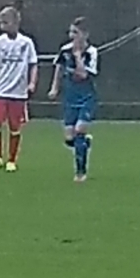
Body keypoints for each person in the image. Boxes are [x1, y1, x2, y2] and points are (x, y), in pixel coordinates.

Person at [0, 5, 38, 172]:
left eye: (5, 23)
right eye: (0, 23)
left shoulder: (26, 43)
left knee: (15, 126)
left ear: (15, 22)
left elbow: (33, 64)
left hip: (18, 93)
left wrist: (32, 82)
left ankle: (11, 160)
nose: (2, 26)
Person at [49, 18, 99, 183]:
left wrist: (78, 57)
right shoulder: (65, 50)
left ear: (85, 34)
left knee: (79, 130)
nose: (72, 36)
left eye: (75, 33)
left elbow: (83, 75)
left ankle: (80, 172)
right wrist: (54, 88)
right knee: (70, 138)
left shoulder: (91, 52)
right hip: (70, 98)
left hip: (86, 98)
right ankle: (84, 143)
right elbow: (59, 68)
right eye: (70, 32)